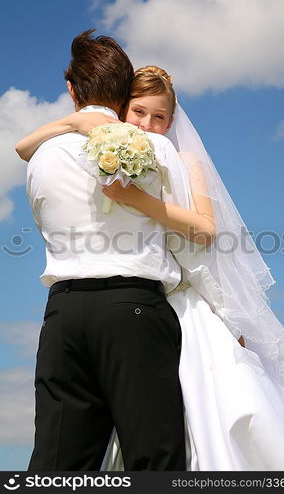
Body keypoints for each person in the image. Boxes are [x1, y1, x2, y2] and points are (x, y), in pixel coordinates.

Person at [17, 64, 284, 471]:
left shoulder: (179, 159)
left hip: (179, 306)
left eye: (159, 117)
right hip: (141, 308)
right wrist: (76, 121)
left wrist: (135, 200)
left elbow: (206, 231)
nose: (148, 124)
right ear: (122, 110)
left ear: (172, 120)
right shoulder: (107, 153)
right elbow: (23, 147)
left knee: (191, 434)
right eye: (139, 112)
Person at [21, 30, 221, 471]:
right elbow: (193, 241)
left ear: (72, 90)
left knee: (57, 463)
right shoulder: (159, 150)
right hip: (134, 309)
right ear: (122, 91)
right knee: (153, 457)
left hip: (62, 316)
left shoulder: (41, 156)